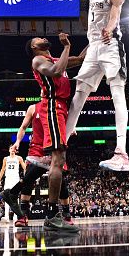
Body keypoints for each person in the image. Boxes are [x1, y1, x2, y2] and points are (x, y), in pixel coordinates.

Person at [55, 0, 129, 172]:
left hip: (110, 45)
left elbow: (115, 13)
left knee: (117, 92)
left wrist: (108, 27)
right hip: (94, 47)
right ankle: (60, 150)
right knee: (79, 95)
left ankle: (121, 154)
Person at [26, 33, 83, 232]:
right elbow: (56, 72)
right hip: (52, 106)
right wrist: (67, 47)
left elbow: (82, 59)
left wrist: (95, 39)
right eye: (37, 39)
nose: (42, 38)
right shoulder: (38, 60)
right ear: (34, 47)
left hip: (61, 108)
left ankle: (53, 213)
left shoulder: (56, 59)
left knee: (58, 160)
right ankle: (51, 215)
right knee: (58, 160)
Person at [3, 104, 77, 228]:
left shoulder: (59, 106)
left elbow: (66, 123)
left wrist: (71, 129)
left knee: (60, 180)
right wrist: (17, 142)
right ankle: (23, 214)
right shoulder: (33, 108)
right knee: (29, 179)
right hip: (37, 149)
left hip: (54, 148)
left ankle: (66, 215)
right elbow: (23, 127)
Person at [0, 145, 26, 221]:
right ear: (9, 150)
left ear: (16, 150)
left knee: (15, 197)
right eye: (11, 148)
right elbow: (2, 169)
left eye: (14, 149)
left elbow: (24, 167)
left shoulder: (19, 158)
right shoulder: (6, 159)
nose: (12, 150)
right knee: (6, 197)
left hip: (16, 179)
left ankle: (16, 216)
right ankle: (6, 216)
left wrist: (26, 174)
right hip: (8, 179)